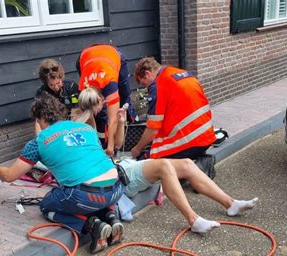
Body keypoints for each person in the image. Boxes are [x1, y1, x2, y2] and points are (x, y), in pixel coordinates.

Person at [78, 87, 258, 233]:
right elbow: (102, 158)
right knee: (164, 165)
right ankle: (193, 220)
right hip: (118, 177)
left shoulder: (98, 120)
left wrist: (121, 122)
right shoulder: (83, 127)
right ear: (96, 103)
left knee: (187, 163)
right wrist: (107, 145)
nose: (105, 105)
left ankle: (231, 204)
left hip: (122, 165)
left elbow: (117, 145)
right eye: (102, 102)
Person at [0, 92, 124, 254]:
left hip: (86, 196)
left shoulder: (38, 142)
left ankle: (93, 226)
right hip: (116, 189)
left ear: (42, 119)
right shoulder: (87, 128)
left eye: (38, 122)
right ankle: (111, 218)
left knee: (47, 206)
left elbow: (9, 176)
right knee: (90, 192)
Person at [130, 57, 217, 174]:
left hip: (191, 141)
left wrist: (137, 149)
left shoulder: (158, 85)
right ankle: (198, 159)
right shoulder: (180, 73)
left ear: (147, 73)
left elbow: (152, 130)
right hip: (207, 136)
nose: (146, 88)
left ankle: (198, 167)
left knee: (148, 163)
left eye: (143, 83)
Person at [76, 44, 137, 157]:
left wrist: (110, 147)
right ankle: (101, 137)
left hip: (112, 54)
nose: (96, 112)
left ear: (101, 99)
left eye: (96, 110)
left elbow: (112, 119)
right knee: (98, 115)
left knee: (124, 99)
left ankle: (131, 121)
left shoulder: (110, 85)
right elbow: (88, 115)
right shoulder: (83, 90)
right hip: (85, 56)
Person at [34, 59, 79, 134]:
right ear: (46, 82)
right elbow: (39, 119)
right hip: (52, 126)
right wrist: (39, 139)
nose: (56, 87)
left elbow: (76, 110)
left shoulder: (71, 86)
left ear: (61, 78)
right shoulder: (42, 92)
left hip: (72, 121)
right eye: (51, 85)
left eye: (58, 83)